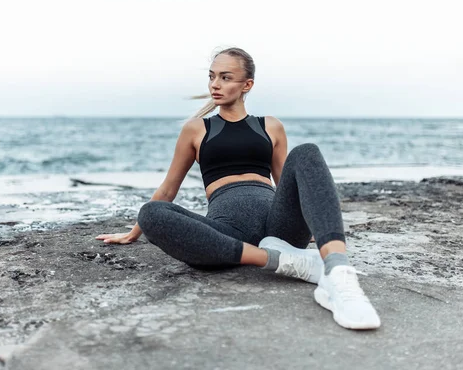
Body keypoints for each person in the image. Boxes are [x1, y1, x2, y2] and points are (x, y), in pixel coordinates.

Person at [96, 47, 380, 330]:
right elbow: (169, 188)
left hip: (279, 227)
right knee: (151, 213)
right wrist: (134, 232)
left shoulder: (270, 126)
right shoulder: (197, 129)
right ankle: (282, 262)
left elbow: (288, 186)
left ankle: (337, 270)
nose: (215, 85)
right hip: (227, 231)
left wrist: (315, 229)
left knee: (307, 152)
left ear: (247, 85)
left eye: (225, 77)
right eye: (212, 77)